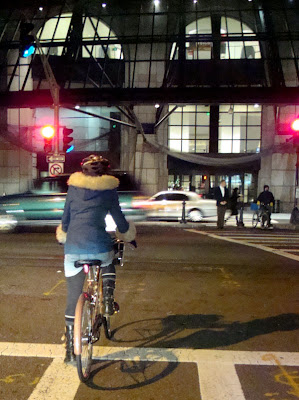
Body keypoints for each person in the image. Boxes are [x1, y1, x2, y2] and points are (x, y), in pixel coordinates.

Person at [56, 154, 136, 365]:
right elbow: (119, 218)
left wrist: (64, 235)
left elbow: (66, 218)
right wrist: (128, 235)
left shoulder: (73, 189)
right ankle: (108, 299)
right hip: (98, 244)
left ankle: (69, 350)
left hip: (73, 246)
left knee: (73, 297)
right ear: (106, 172)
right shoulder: (109, 190)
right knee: (109, 259)